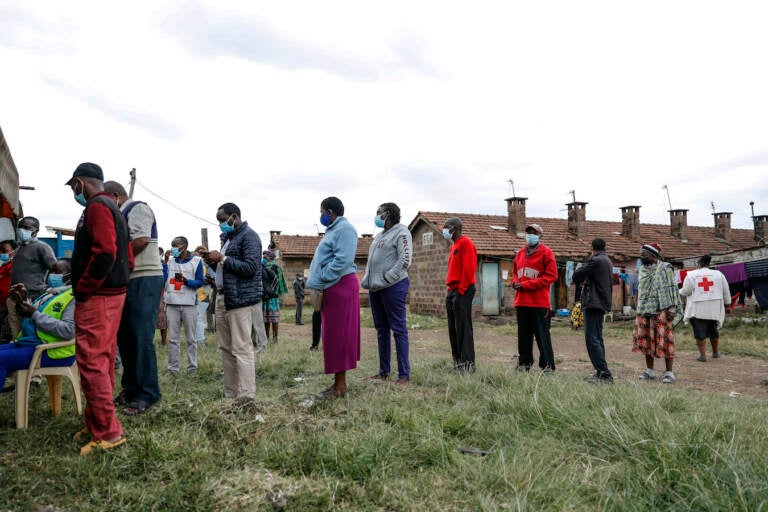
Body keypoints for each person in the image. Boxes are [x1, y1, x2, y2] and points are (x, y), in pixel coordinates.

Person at [66, 162, 131, 455]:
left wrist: (84, 287)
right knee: (101, 360)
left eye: (73, 187)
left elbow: (106, 252)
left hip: (98, 296)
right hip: (111, 294)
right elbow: (127, 257)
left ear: (81, 182)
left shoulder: (97, 207)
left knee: (92, 360)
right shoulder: (113, 207)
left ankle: (108, 432)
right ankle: (98, 423)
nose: (73, 192)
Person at [103, 181, 164, 415]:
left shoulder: (137, 207)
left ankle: (148, 393)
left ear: (115, 196)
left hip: (144, 277)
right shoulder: (121, 213)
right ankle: (130, 389)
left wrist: (116, 262)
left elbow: (140, 241)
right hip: (129, 279)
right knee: (126, 337)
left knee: (140, 336)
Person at [204, 203, 261, 400]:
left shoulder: (249, 236)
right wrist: (212, 261)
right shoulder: (228, 239)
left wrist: (223, 259)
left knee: (241, 348)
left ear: (234, 216)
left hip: (239, 299)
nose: (220, 224)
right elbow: (224, 269)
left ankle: (246, 396)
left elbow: (251, 267)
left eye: (222, 219)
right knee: (226, 349)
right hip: (222, 296)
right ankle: (231, 393)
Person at [307, 196, 360, 399]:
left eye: (321, 212)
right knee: (332, 336)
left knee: (340, 336)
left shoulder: (345, 229)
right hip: (332, 287)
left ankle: (340, 386)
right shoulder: (333, 230)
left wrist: (323, 276)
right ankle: (337, 383)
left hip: (340, 286)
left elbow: (343, 260)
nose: (320, 216)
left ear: (330, 212)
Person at [0, 259, 76, 390]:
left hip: (53, 352)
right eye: (51, 271)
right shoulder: (52, 293)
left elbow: (69, 331)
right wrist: (22, 300)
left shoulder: (73, 298)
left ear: (70, 275)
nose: (51, 275)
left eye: (57, 271)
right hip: (34, 344)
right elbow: (34, 316)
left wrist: (34, 314)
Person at [362, 202, 413, 384]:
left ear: (388, 214)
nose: (376, 216)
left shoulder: (402, 232)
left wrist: (387, 278)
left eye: (379, 213)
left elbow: (405, 259)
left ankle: (404, 375)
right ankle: (384, 371)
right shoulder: (379, 236)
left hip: (393, 286)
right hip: (376, 288)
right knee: (382, 330)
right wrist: (368, 280)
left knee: (398, 329)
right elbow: (372, 261)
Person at [632, 243, 682, 384]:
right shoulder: (642, 270)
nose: (641, 256)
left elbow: (672, 288)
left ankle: (669, 373)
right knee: (646, 340)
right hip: (644, 309)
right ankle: (650, 371)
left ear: (653, 255)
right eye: (641, 254)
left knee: (666, 340)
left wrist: (671, 308)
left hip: (662, 309)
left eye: (644, 254)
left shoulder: (665, 268)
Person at [511, 223, 558, 372]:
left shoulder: (547, 253)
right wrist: (514, 282)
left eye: (534, 233)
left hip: (539, 303)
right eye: (528, 232)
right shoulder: (519, 253)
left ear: (539, 236)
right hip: (521, 302)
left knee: (542, 336)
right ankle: (524, 363)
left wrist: (526, 285)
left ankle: (547, 366)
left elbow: (551, 276)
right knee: (523, 336)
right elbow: (514, 273)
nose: (530, 235)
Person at [572, 238, 614, 383]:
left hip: (594, 303)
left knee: (592, 339)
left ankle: (605, 374)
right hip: (600, 303)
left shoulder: (596, 261)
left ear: (592, 247)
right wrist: (588, 278)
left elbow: (576, 275)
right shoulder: (607, 260)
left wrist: (585, 277)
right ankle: (601, 372)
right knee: (597, 338)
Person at [8, 216, 57, 340]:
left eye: (26, 228)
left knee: (29, 333)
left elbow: (56, 268)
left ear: (35, 231)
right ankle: (16, 355)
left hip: (32, 297)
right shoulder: (20, 248)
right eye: (20, 227)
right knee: (16, 332)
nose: (22, 230)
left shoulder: (42, 247)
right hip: (15, 297)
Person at [679, 254, 731, 362]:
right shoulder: (718, 274)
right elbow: (726, 291)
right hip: (714, 308)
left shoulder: (691, 275)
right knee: (713, 330)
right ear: (709, 264)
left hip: (698, 309)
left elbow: (686, 291)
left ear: (699, 264)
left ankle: (703, 355)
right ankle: (715, 352)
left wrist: (677, 291)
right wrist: (727, 305)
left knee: (700, 332)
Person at [164, 236, 203, 375]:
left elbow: (200, 282)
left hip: (189, 304)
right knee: (173, 339)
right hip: (172, 304)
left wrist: (187, 282)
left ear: (184, 246)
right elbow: (163, 279)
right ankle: (173, 369)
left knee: (191, 339)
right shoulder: (170, 262)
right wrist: (164, 262)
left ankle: (192, 368)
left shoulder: (196, 261)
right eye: (172, 245)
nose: (173, 248)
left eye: (176, 246)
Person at [443, 217, 477, 373]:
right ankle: (457, 362)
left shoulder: (466, 243)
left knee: (463, 328)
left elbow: (469, 269)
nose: (444, 230)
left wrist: (461, 291)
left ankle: (468, 364)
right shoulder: (453, 245)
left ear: (455, 228)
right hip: (452, 290)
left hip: (463, 290)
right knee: (453, 328)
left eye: (447, 227)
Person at [262, 250, 287, 343]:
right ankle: (267, 337)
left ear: (270, 258)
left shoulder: (275, 267)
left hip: (272, 297)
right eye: (263, 257)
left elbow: (278, 282)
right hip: (266, 297)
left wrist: (271, 291)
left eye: (265, 257)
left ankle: (275, 338)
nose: (263, 259)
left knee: (273, 319)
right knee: (266, 319)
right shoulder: (263, 267)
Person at [193, 245, 214, 345]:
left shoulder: (209, 265)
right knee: (196, 319)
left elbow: (213, 279)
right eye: (197, 251)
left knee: (198, 318)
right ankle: (196, 340)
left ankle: (200, 341)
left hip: (204, 295)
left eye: (201, 253)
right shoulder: (195, 263)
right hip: (195, 295)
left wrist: (202, 279)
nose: (197, 254)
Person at [0, 240, 18, 344]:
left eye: (4, 251)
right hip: (1, 303)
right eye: (0, 251)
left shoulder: (15, 265)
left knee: (8, 328)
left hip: (11, 303)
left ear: (14, 251)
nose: (1, 254)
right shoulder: (3, 265)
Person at [156, 247, 168, 345]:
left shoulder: (165, 265)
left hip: (161, 294)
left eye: (159, 253)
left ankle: (163, 341)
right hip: (150, 293)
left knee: (163, 320)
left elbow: (165, 279)